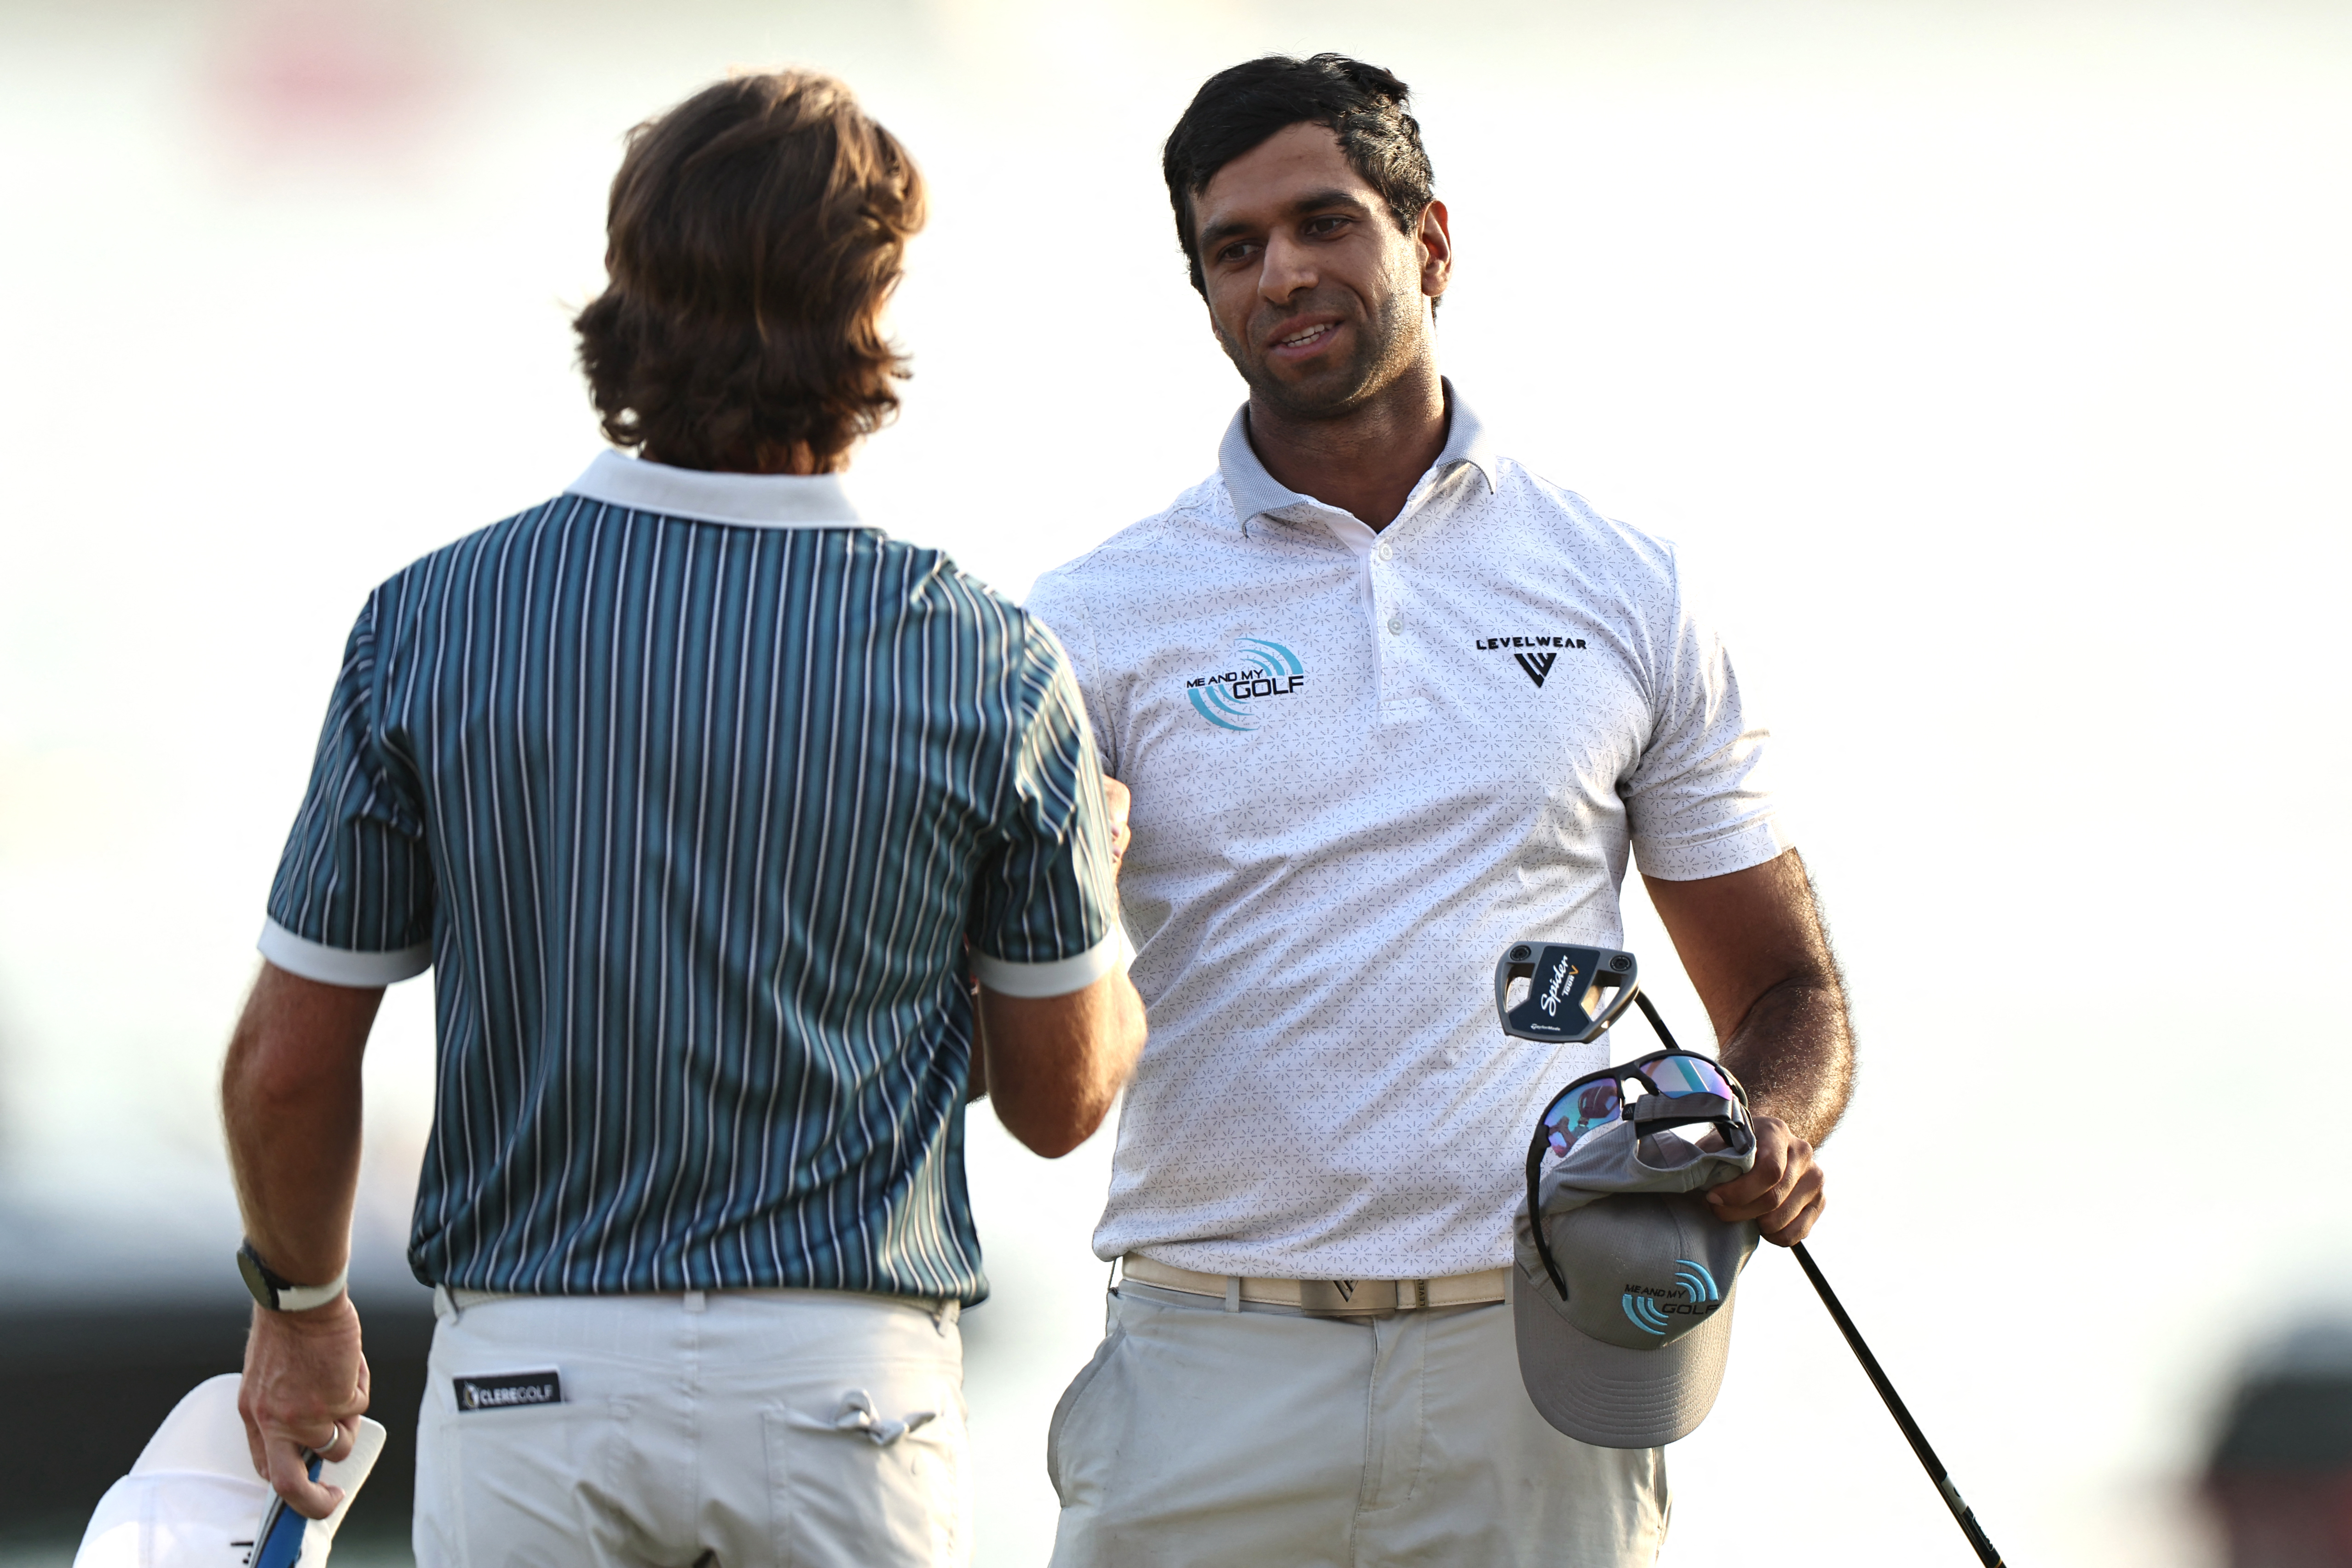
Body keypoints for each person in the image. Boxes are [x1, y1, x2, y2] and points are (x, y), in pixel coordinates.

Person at [219, 70, 1144, 1568]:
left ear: (628, 290)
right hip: (850, 1396)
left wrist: (302, 1314)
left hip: (531, 1388)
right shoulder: (984, 659)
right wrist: (1089, 890)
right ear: (876, 305)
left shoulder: (435, 624)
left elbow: (285, 1068)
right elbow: (1060, 1102)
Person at [1023, 53, 1854, 1565]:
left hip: (1538, 1366)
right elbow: (1001, 1006)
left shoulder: (1622, 583)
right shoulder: (1093, 620)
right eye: (1234, 248)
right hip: (1208, 1354)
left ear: (1431, 242)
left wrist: (1774, 1132)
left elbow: (1785, 988)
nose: (1283, 273)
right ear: (1206, 294)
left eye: (1324, 223)